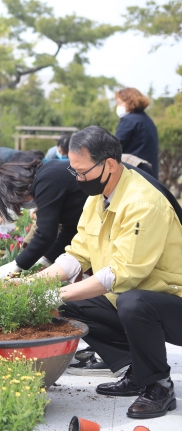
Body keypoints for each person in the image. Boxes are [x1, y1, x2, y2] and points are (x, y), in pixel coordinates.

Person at [39, 126, 182, 419]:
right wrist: (33, 285)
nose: (78, 179)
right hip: (137, 298)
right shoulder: (98, 197)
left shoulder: (142, 203)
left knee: (132, 301)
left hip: (171, 303)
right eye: (74, 172)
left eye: (82, 172)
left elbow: (121, 275)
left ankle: (159, 384)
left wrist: (52, 293)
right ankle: (137, 370)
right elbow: (76, 255)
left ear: (110, 165)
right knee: (68, 303)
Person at [0, 159, 88, 277]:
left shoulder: (46, 182)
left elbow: (45, 234)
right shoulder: (47, 174)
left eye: (19, 201)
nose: (22, 204)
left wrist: (17, 264)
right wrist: (46, 259)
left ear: (18, 188)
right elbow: (71, 228)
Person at [115, 87, 159, 178]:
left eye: (120, 102)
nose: (118, 106)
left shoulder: (129, 120)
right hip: (150, 172)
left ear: (130, 102)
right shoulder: (147, 119)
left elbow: (115, 146)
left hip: (135, 171)